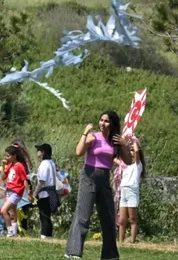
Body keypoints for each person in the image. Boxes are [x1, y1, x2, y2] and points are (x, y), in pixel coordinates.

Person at [65, 111, 133, 260]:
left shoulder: (115, 140)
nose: (102, 123)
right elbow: (78, 152)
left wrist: (124, 145)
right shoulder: (93, 137)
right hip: (89, 175)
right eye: (101, 120)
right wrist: (84, 134)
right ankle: (73, 251)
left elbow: (128, 161)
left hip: (104, 177)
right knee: (83, 214)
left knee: (108, 217)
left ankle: (110, 255)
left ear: (113, 124)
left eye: (106, 121)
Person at [117, 138, 144, 244]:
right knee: (122, 220)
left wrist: (134, 141)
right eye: (130, 150)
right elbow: (114, 158)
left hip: (132, 191)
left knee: (132, 218)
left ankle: (132, 241)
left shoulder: (138, 165)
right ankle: (121, 241)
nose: (131, 152)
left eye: (132, 150)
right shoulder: (125, 165)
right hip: (123, 191)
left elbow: (137, 151)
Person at [0, 146, 27, 238]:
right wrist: (3, 166)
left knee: (3, 210)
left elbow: (24, 180)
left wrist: (29, 192)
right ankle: (14, 233)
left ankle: (9, 230)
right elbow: (3, 177)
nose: (6, 158)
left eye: (8, 156)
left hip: (16, 192)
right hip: (9, 191)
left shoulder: (19, 166)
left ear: (14, 156)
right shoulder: (10, 165)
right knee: (12, 213)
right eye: (5, 156)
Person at [32, 143, 59, 239]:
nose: (37, 152)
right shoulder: (51, 162)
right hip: (52, 192)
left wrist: (35, 193)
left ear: (43, 152)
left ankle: (44, 235)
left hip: (45, 193)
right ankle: (48, 235)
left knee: (44, 215)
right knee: (47, 214)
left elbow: (42, 181)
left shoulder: (44, 164)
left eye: (38, 150)